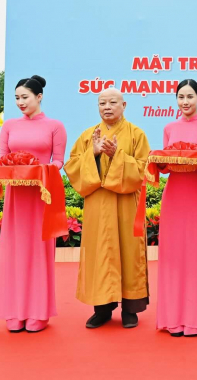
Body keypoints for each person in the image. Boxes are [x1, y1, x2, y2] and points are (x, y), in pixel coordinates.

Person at [63, 87, 150, 329]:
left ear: (124, 105)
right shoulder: (88, 135)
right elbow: (71, 166)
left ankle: (130, 310)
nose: (107, 107)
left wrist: (117, 156)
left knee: (129, 252)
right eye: (102, 103)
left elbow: (144, 169)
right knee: (99, 253)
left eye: (113, 102)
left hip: (125, 206)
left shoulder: (136, 134)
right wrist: (93, 152)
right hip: (98, 204)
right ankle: (101, 308)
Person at [0, 76, 66, 333]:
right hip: (16, 196)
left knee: (38, 250)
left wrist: (38, 171)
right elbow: (2, 159)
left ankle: (38, 311)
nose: (20, 102)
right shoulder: (9, 125)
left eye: (25, 97)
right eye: (17, 98)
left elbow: (58, 162)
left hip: (41, 195)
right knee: (14, 250)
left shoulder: (55, 126)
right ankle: (14, 310)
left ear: (39, 96)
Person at [156, 79, 197, 337]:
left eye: (190, 96)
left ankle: (194, 319)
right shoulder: (169, 128)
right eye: (181, 97)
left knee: (196, 255)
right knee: (172, 256)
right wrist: (160, 163)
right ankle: (172, 318)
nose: (185, 102)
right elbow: (166, 166)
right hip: (174, 196)